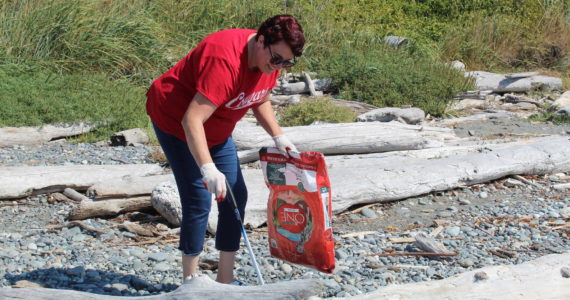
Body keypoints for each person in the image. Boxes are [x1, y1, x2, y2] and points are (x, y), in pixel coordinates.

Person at [145, 15, 305, 285]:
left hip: (217, 129)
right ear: (261, 40)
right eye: (277, 59)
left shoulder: (271, 60)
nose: (278, 66)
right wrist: (207, 169)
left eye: (286, 62)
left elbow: (259, 97)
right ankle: (191, 283)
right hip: (177, 121)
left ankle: (225, 280)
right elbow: (191, 120)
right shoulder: (225, 60)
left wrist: (279, 136)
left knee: (235, 195)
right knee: (198, 198)